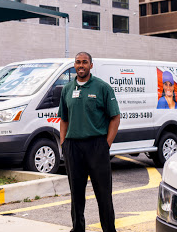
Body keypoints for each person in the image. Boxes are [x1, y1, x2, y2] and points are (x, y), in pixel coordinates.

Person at [58, 52, 121, 232]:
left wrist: (105, 144)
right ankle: (77, 228)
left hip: (96, 146)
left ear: (91, 65)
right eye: (78, 62)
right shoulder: (67, 89)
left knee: (103, 194)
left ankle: (109, 229)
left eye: (85, 62)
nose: (81, 65)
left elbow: (115, 118)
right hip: (73, 147)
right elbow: (64, 119)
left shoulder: (102, 88)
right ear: (74, 65)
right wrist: (64, 143)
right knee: (76, 194)